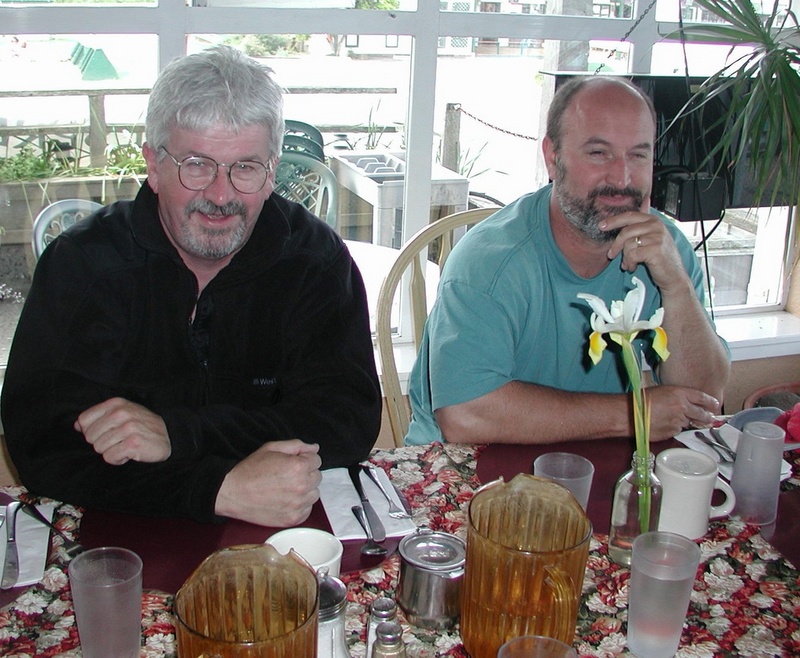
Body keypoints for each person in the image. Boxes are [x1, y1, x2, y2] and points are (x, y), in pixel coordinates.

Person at [1, 45, 382, 527]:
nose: (221, 196)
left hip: (281, 532)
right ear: (153, 166)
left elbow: (346, 421)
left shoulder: (315, 261)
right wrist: (217, 491)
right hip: (124, 540)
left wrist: (178, 434)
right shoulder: (82, 267)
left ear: (271, 174)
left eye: (245, 167)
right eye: (197, 164)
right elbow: (44, 450)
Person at [406, 76, 730, 446]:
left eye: (638, 154)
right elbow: (466, 416)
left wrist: (675, 285)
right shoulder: (488, 265)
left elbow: (704, 397)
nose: (622, 177)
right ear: (552, 157)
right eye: (598, 153)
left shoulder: (665, 248)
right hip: (475, 464)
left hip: (594, 454)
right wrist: (631, 413)